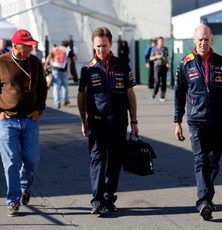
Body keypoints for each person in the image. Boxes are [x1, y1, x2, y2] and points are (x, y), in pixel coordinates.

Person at [77, 27, 139, 215]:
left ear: (110, 44)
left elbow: (130, 95)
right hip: (97, 123)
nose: (101, 50)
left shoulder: (122, 65)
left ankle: (108, 198)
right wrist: (83, 121)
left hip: (119, 122)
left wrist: (134, 121)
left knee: (114, 161)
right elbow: (81, 96)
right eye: (97, 47)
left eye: (104, 46)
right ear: (93, 45)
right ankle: (96, 201)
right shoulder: (87, 69)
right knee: (97, 160)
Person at [174, 24, 222, 221]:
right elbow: (179, 95)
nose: (203, 43)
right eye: (200, 40)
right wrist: (177, 121)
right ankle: (204, 201)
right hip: (196, 120)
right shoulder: (185, 64)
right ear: (194, 41)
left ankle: (207, 198)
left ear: (212, 40)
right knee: (200, 160)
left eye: (206, 39)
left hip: (218, 120)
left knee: (213, 161)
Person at [0, 29, 48, 216]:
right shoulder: (2, 62)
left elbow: (43, 87)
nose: (30, 48)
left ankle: (24, 186)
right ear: (15, 45)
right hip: (7, 121)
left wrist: (40, 109)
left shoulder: (35, 62)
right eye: (26, 46)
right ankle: (13, 200)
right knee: (11, 161)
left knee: (31, 160)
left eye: (31, 45)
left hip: (30, 119)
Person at [44, 40, 71, 109]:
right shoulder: (67, 50)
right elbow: (69, 61)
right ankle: (66, 100)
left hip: (55, 68)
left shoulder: (56, 49)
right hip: (63, 70)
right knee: (65, 86)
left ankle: (57, 102)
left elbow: (49, 57)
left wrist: (45, 65)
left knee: (56, 86)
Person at [150, 36, 169, 101]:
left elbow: (167, 57)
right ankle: (154, 93)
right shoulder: (154, 49)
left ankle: (162, 96)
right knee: (157, 81)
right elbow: (151, 58)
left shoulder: (165, 49)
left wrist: (167, 63)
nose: (162, 42)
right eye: (160, 41)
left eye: (163, 41)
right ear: (158, 42)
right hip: (157, 67)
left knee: (164, 81)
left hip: (164, 66)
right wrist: (157, 57)